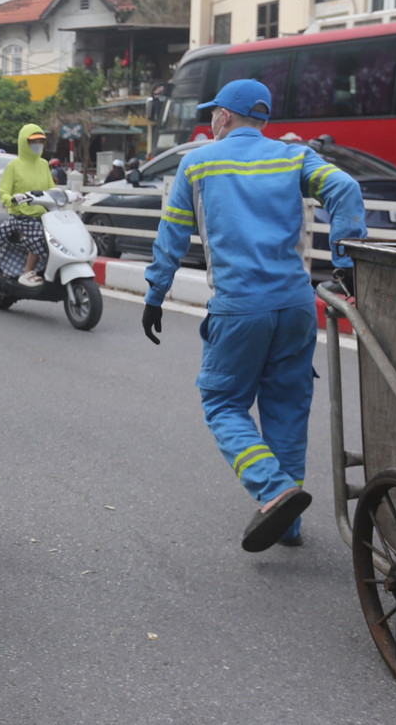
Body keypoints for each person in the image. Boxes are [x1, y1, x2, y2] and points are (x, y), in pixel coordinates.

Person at [141, 79, 366, 552]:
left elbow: (174, 235)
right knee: (286, 409)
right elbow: (344, 189)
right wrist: (345, 263)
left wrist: (156, 293)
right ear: (262, 119)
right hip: (296, 304)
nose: (211, 122)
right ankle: (288, 526)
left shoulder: (198, 162)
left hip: (240, 307)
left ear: (224, 117)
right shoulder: (293, 156)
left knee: (222, 402)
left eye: (213, 114)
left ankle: (274, 490)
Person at [0, 124, 56, 287]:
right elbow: (4, 192)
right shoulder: (14, 166)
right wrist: (13, 198)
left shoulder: (44, 164)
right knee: (38, 235)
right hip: (22, 216)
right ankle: (27, 272)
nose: (38, 145)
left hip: (44, 214)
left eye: (40, 141)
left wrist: (68, 194)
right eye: (33, 141)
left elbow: (52, 188)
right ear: (24, 143)